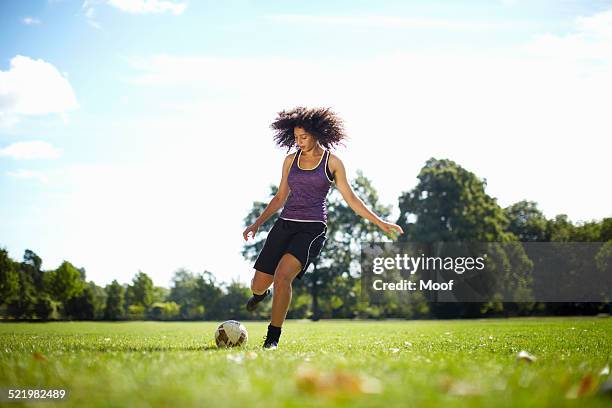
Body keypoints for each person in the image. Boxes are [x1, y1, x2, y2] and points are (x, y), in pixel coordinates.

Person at [242, 106, 404, 349]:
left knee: (283, 277)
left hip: (312, 228)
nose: (298, 141)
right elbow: (280, 197)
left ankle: (272, 338)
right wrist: (256, 223)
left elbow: (352, 199)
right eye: (295, 137)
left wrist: (380, 222)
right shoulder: (290, 160)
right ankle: (260, 295)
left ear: (317, 134)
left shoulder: (333, 162)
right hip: (285, 224)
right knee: (259, 284)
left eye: (303, 137)